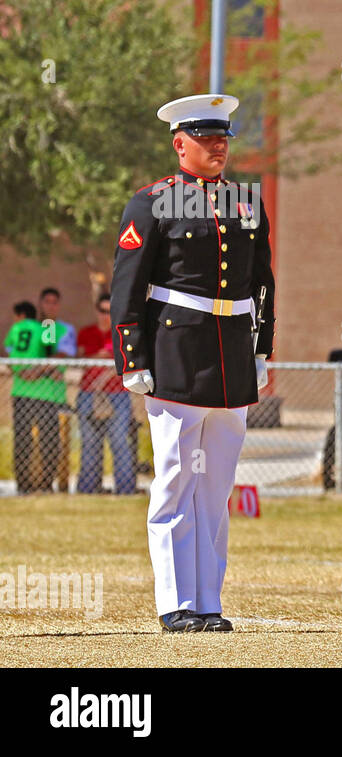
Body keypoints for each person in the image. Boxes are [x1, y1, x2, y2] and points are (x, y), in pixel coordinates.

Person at [111, 93, 275, 633]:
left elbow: (262, 282)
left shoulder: (246, 201)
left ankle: (208, 601)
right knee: (177, 478)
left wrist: (260, 349)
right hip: (176, 353)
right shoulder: (152, 201)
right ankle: (176, 602)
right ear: (180, 144)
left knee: (216, 486)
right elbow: (128, 284)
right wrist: (131, 354)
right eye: (206, 140)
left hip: (231, 353)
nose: (217, 148)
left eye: (223, 139)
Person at [4, 299, 72, 492]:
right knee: (48, 441)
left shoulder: (17, 328)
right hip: (45, 393)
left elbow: (8, 351)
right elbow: (51, 354)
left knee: (22, 440)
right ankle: (45, 485)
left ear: (20, 315)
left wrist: (20, 371)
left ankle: (23, 485)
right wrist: (40, 371)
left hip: (21, 391)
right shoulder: (47, 327)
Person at [76, 293, 136, 495]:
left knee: (119, 442)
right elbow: (80, 358)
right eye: (102, 311)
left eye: (109, 311)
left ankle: (125, 489)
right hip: (88, 393)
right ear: (96, 311)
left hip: (118, 394)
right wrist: (100, 356)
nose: (105, 315)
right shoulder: (86, 332)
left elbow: (129, 359)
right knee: (90, 442)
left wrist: (109, 361)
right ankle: (88, 488)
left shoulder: (121, 333)